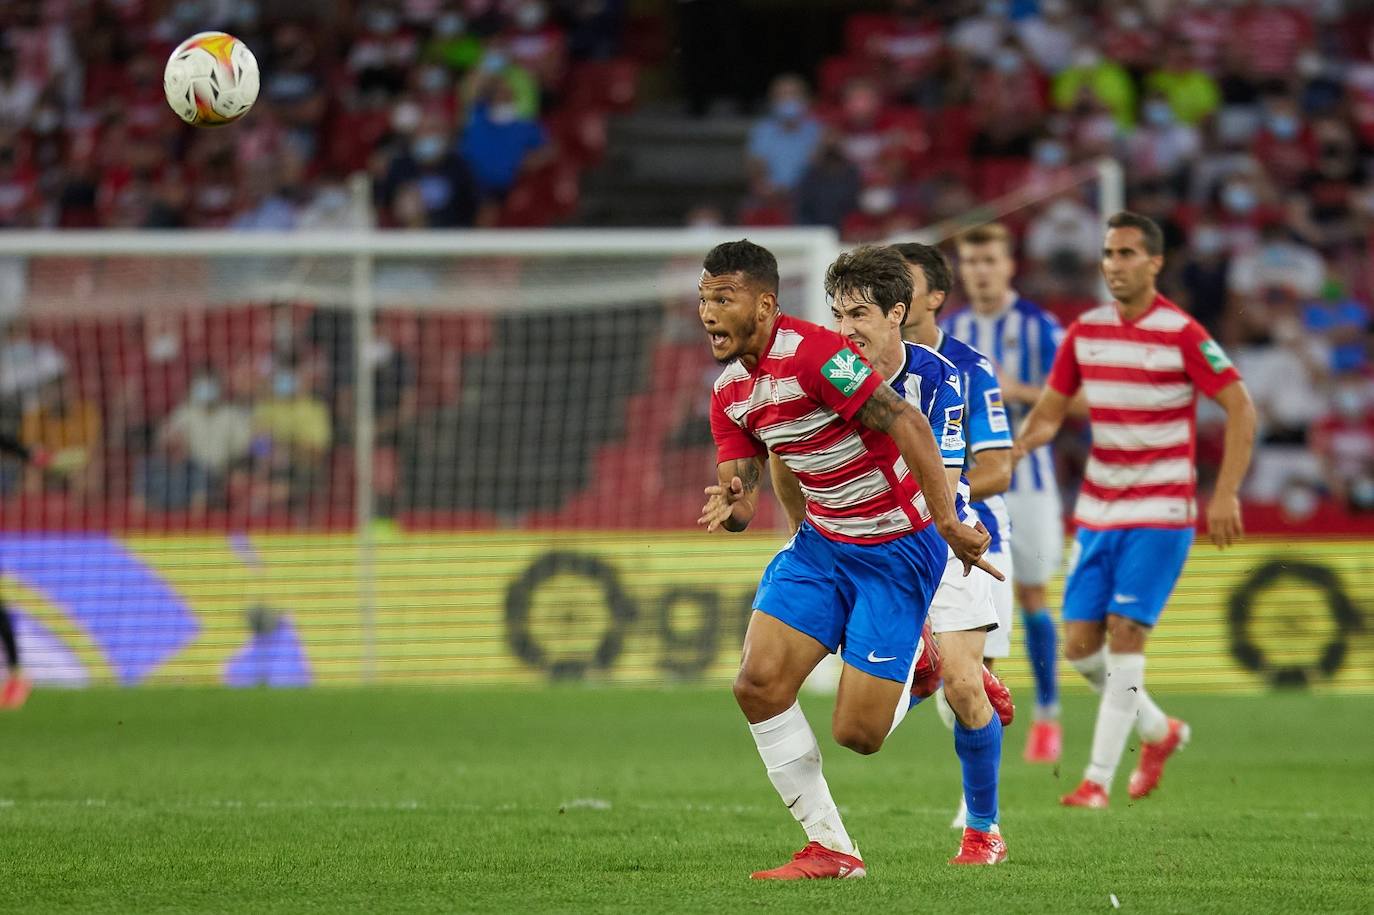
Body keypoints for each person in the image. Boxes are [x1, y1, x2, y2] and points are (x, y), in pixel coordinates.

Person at [697, 240, 999, 879]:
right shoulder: (728, 394)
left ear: (765, 302)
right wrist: (732, 507)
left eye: (723, 298)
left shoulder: (815, 355)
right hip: (823, 544)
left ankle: (925, 663)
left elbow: (908, 424)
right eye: (703, 299)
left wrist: (948, 522)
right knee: (756, 684)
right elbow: (743, 486)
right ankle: (832, 848)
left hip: (897, 546)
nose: (708, 312)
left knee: (857, 736)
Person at [1014, 212, 1256, 808]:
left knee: (1126, 633)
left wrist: (1223, 492)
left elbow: (1241, 408)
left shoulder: (1183, 333)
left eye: (1126, 254)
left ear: (1154, 262)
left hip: (1162, 511)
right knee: (1079, 648)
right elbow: (1050, 409)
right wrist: (1018, 446)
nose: (1114, 265)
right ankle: (1157, 730)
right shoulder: (1084, 332)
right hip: (1098, 510)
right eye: (1108, 253)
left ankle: (1096, 780)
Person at [891, 242, 1016, 831]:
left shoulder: (967, 368)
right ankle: (944, 669)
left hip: (973, 541)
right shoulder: (857, 366)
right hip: (894, 533)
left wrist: (940, 497)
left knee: (962, 686)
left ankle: (979, 818)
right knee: (948, 686)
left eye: (903, 281)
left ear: (934, 297)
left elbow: (997, 468)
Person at [946, 223, 1068, 762]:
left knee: (1035, 595)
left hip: (1031, 483)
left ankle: (1047, 715)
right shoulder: (951, 330)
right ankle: (975, 700)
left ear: (1009, 265)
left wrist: (1019, 392)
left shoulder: (1039, 326)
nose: (981, 271)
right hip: (967, 485)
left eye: (990, 260)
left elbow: (1080, 398)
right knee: (965, 600)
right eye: (971, 263)